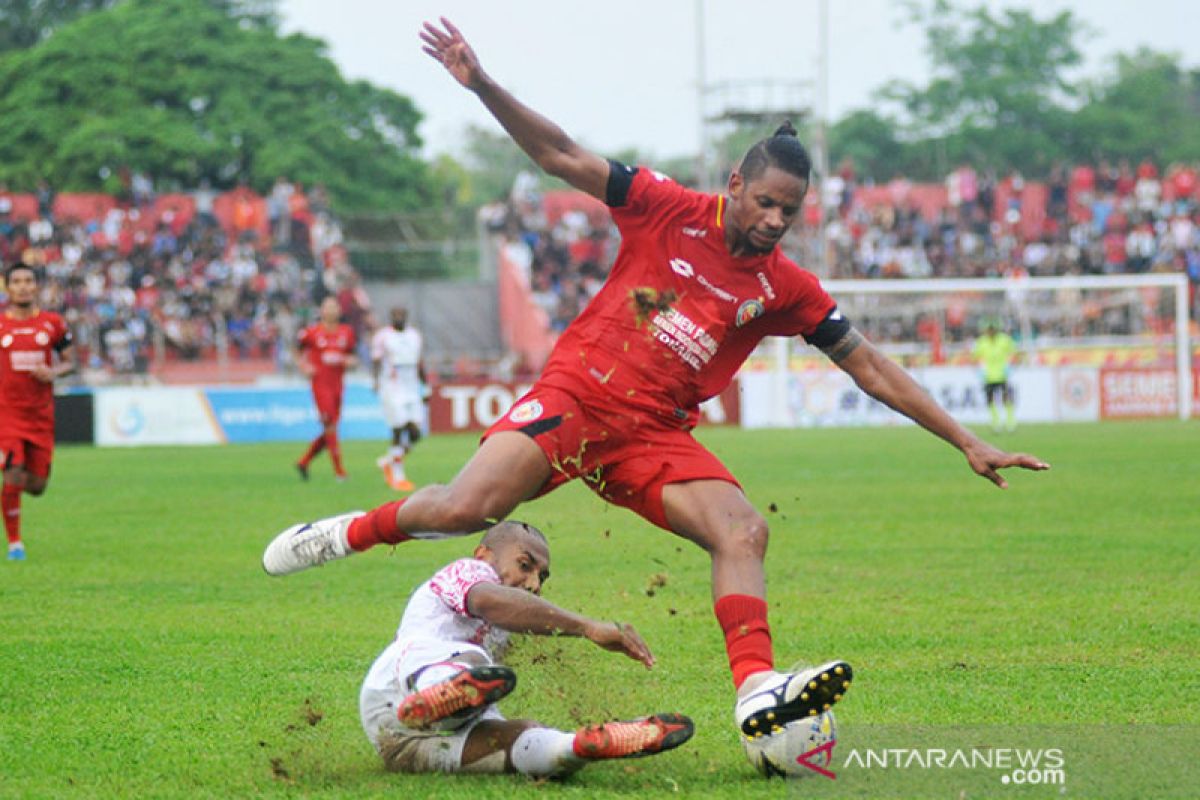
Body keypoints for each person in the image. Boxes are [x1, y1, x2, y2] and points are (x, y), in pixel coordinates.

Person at [265, 17, 1050, 751]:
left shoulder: (785, 286)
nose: (778, 220)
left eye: (791, 210)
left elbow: (869, 364)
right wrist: (482, 84)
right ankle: (344, 533)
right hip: (576, 395)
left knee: (742, 530)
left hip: (650, 436)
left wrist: (967, 439)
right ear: (736, 183)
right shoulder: (665, 206)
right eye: (768, 202)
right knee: (471, 507)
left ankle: (756, 693)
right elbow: (562, 155)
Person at [359, 520, 693, 775]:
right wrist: (588, 627)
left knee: (520, 736)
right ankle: (436, 695)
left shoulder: (509, 628)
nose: (534, 583)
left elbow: (513, 627)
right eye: (525, 565)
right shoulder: (469, 571)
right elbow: (489, 601)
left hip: (396, 742)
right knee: (473, 661)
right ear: (483, 554)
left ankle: (579, 745)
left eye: (542, 577)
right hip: (399, 683)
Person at [1, 263, 74, 561]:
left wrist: (54, 371)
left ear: (36, 286)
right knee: (14, 473)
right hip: (6, 414)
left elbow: (70, 362)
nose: (22, 286)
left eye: (28, 281)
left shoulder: (53, 324)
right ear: (7, 287)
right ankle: (15, 543)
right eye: (16, 281)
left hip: (40, 416)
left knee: (37, 486)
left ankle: (10, 483)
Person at [294, 296, 357, 481]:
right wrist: (303, 366)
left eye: (334, 307)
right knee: (329, 425)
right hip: (320, 385)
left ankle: (304, 461)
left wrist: (349, 361)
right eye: (327, 307)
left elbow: (352, 356)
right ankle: (339, 471)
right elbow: (297, 351)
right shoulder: (311, 333)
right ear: (321, 311)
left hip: (338, 384)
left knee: (331, 428)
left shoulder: (347, 332)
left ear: (339, 311)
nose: (330, 311)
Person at [370, 307, 427, 492]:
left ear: (406, 317)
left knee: (416, 433)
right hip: (392, 387)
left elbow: (419, 362)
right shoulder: (383, 337)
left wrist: (425, 387)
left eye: (402, 314)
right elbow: (377, 361)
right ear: (390, 317)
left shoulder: (414, 336)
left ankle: (388, 461)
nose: (398, 318)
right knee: (398, 429)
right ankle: (398, 477)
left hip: (411, 388)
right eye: (395, 315)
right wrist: (376, 381)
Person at [973, 321, 1018, 432]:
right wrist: (979, 370)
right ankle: (995, 422)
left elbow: (1014, 352)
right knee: (990, 400)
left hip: (1002, 375)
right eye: (989, 329)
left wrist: (1009, 366)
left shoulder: (1004, 340)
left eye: (992, 329)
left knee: (1006, 398)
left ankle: (1010, 422)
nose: (991, 331)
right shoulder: (981, 342)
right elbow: (975, 356)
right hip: (988, 376)